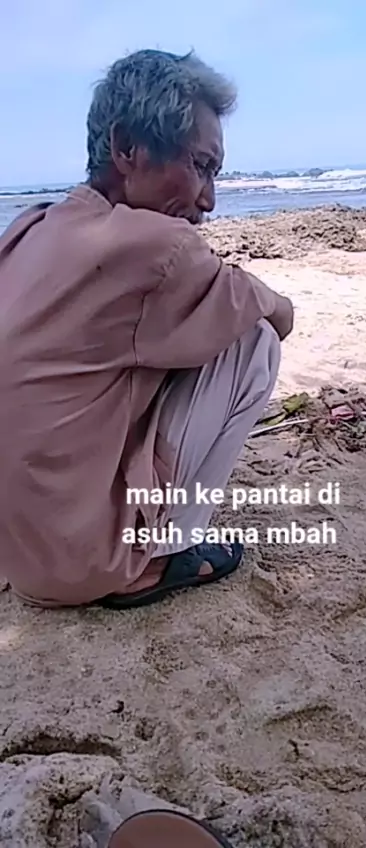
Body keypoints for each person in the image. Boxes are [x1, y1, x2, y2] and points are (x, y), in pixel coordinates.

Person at [0, 49, 294, 609]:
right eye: (201, 166)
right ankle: (159, 558)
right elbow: (277, 317)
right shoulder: (154, 244)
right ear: (127, 148)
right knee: (251, 341)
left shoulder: (27, 230)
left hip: (13, 554)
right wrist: (273, 304)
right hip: (79, 565)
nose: (208, 200)